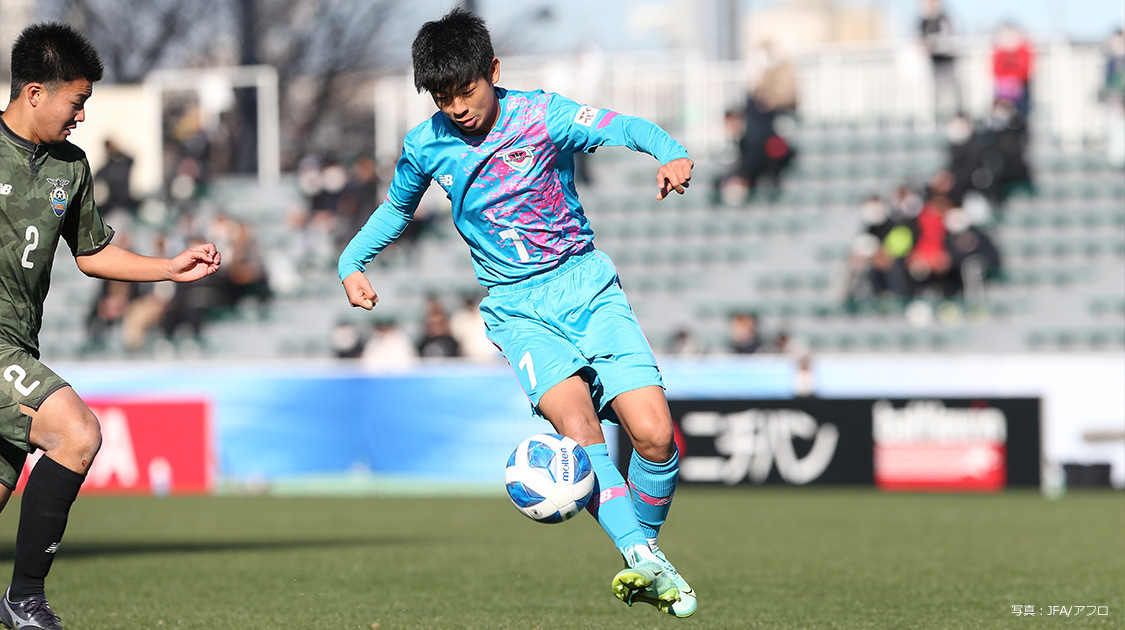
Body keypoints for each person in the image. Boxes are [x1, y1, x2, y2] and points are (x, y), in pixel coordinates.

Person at [338, 8, 696, 618]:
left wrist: (670, 152)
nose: (457, 108)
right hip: (517, 310)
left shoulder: (543, 115)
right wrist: (352, 262)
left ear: (494, 71)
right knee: (581, 433)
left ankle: (646, 551)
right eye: (443, 98)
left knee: (655, 436)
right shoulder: (425, 145)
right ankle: (640, 556)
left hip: (588, 290)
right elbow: (397, 208)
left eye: (466, 90)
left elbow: (622, 125)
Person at [0, 23, 222, 629]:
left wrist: (167, 268)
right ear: (35, 93)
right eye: (76, 102)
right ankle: (24, 600)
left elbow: (92, 253)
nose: (81, 117)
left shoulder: (71, 167)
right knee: (77, 434)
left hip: (19, 343)